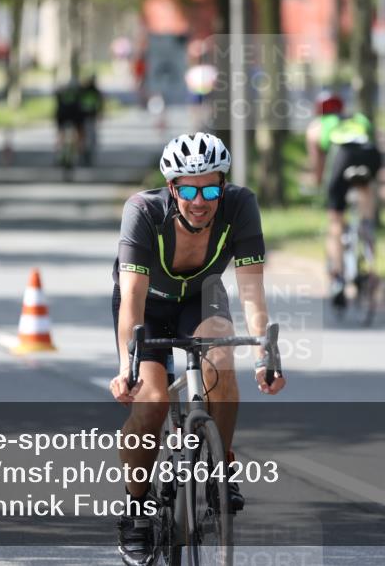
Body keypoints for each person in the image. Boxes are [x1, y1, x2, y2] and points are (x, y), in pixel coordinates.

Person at [109, 131, 285, 565]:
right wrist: (126, 366)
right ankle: (137, 509)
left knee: (222, 365)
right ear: (172, 187)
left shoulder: (241, 206)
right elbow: (131, 297)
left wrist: (265, 353)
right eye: (188, 189)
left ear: (223, 185)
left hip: (201, 297)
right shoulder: (143, 211)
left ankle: (221, 467)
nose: (200, 200)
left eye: (210, 187)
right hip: (147, 305)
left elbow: (251, 293)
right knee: (150, 402)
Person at [305, 91, 382, 307]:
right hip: (369, 153)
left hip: (342, 156)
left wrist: (320, 185)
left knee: (336, 222)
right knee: (365, 189)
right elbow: (371, 139)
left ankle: (338, 276)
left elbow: (318, 167)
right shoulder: (359, 119)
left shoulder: (316, 126)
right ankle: (368, 232)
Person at [54, 78, 84, 167]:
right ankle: (79, 151)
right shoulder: (79, 93)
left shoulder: (62, 92)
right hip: (74, 117)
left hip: (62, 116)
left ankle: (59, 152)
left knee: (61, 135)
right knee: (79, 133)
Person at [78, 74, 103, 165]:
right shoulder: (95, 91)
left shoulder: (83, 90)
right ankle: (86, 153)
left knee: (84, 137)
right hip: (89, 117)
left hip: (84, 117)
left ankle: (83, 154)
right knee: (90, 137)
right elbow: (100, 105)